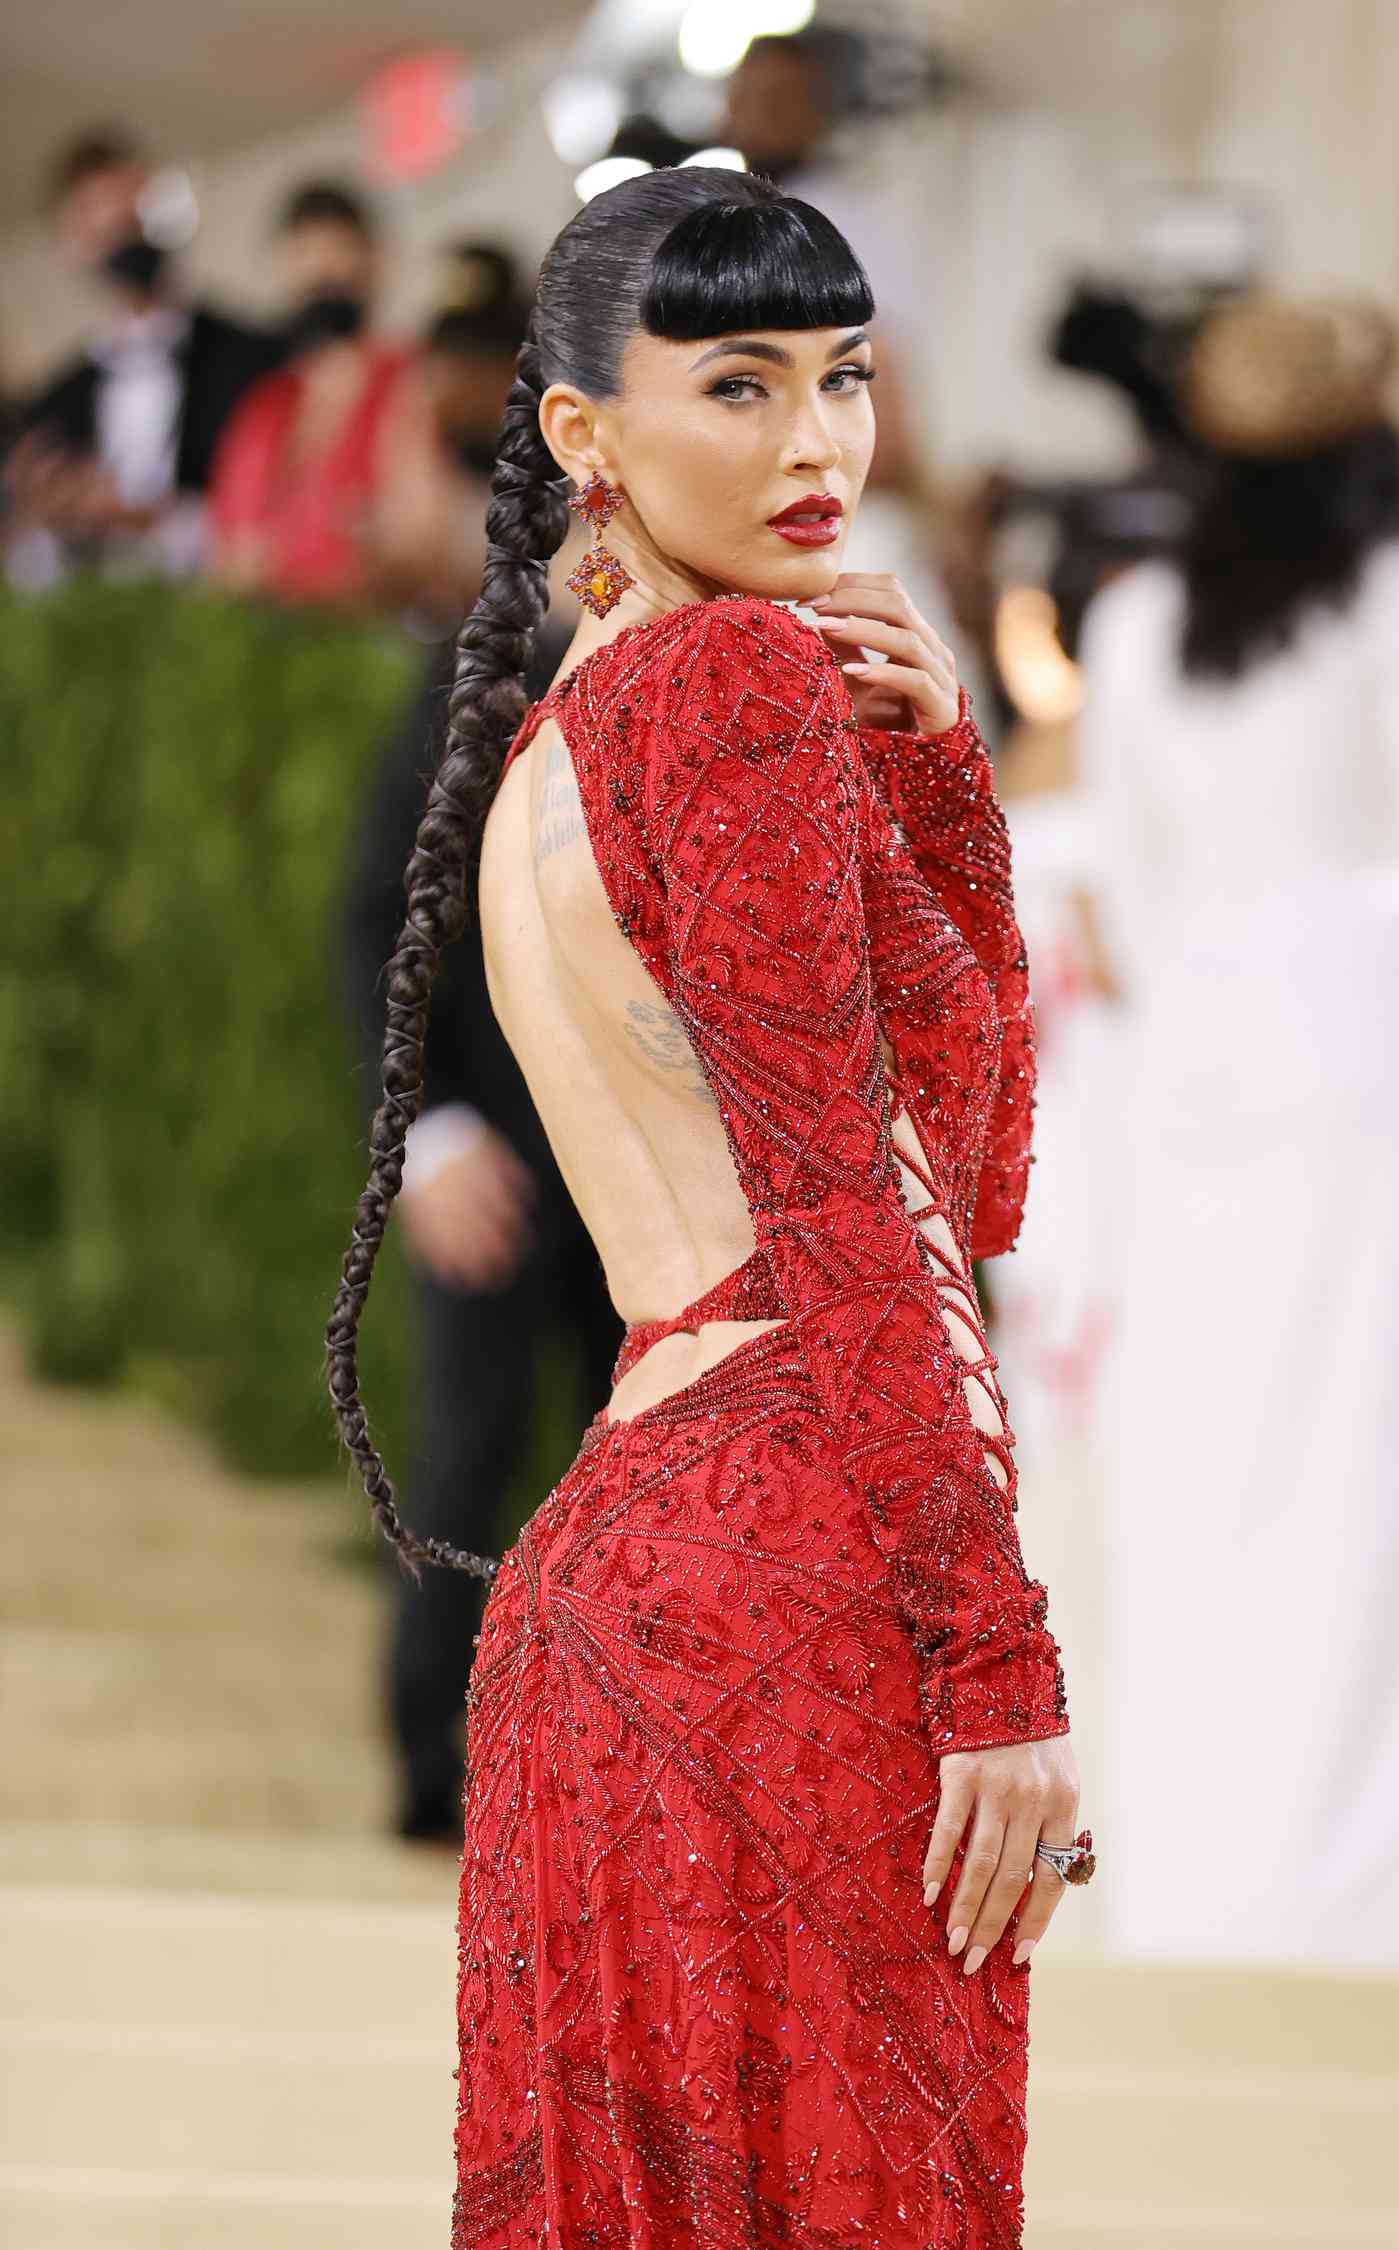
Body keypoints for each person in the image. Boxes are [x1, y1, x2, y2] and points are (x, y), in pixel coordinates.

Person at [325, 168, 1087, 2245]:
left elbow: (975, 1174)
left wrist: (942, 796)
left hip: (629, 1589)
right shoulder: (729, 697)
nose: (817, 444)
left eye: (842, 379)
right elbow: (865, 1216)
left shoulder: (577, 726)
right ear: (583, 432)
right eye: (738, 388)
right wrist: (996, 1658)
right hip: (791, 1582)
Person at [1077, 296, 1399, 1969]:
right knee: (1377, 1475)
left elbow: (1121, 901)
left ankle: (1198, 1877)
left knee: (1203, 1477)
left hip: (1195, 1074)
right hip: (1373, 1061)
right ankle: (1373, 1896)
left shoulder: (1132, 619)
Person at [341, 243, 622, 1847]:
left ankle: (612, 1782)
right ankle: (437, 1778)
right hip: (502, 1142)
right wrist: (430, 1131)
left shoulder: (777, 662)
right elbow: (378, 919)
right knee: (467, 1447)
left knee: (649, 1483)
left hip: (683, 1175)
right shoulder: (490, 652)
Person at [5, 127, 282, 586]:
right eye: (104, 227)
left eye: (132, 218)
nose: (124, 239)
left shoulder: (251, 358)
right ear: (72, 243)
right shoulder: (53, 407)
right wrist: (41, 521)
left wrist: (159, 521)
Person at [208, 179, 437, 611]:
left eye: (338, 251)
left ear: (373, 260)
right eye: (305, 254)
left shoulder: (412, 378)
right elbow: (230, 555)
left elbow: (420, 542)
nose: (324, 271)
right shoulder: (263, 405)